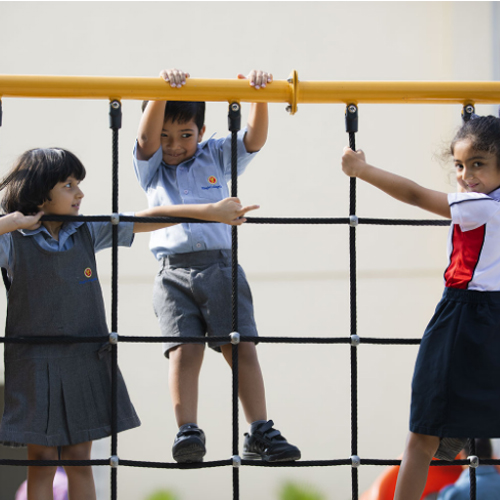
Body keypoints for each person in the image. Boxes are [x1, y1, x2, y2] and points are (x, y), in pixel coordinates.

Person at [0, 147, 258, 500]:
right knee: (42, 461)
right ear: (39, 191)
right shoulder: (12, 241)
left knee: (79, 458)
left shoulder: (86, 230)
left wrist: (209, 212)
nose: (80, 193)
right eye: (68, 185)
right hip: (34, 362)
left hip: (85, 358)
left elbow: (145, 217)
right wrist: (13, 221)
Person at [133, 68, 301, 463]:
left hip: (220, 267)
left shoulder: (214, 155)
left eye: (185, 135)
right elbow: (144, 140)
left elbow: (254, 139)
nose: (175, 145)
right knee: (184, 351)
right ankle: (187, 430)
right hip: (172, 273)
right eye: (165, 136)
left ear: (202, 131)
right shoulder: (151, 168)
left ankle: (259, 429)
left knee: (240, 346)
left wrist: (258, 96)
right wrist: (160, 91)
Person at [341, 115, 500, 500]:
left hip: (465, 315)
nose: (465, 175)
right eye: (459, 165)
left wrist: (361, 169)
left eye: (477, 164)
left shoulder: (479, 207)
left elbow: (414, 195)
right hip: (487, 317)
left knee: (421, 436)